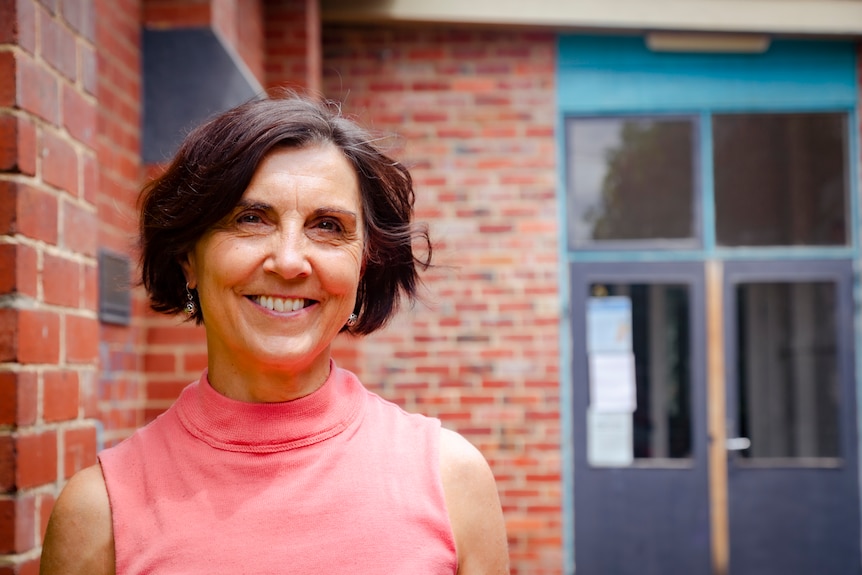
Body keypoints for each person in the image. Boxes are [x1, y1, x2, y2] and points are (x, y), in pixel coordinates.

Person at [40, 94, 509, 574]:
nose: (289, 261)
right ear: (188, 258)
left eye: (327, 226)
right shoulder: (99, 514)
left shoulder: (453, 483)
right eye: (250, 219)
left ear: (365, 265)